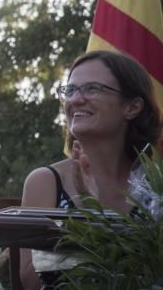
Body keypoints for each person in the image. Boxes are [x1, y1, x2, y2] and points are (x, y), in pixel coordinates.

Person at [19, 50, 162, 289]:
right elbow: (31, 282)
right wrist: (87, 214)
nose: (75, 99)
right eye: (71, 90)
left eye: (92, 88)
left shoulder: (155, 185)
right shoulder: (45, 181)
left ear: (132, 107)